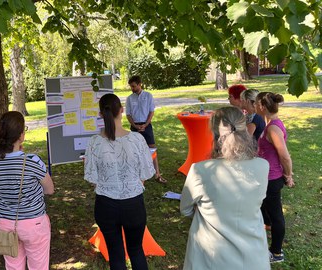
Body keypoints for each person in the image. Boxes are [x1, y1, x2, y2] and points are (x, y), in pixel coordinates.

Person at [180, 106, 270, 270]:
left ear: (214, 135)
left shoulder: (200, 170)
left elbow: (185, 209)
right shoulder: (263, 166)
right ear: (245, 131)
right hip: (252, 257)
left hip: (209, 258)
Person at [85, 93, 155, 270]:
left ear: (101, 114)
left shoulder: (94, 143)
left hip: (106, 206)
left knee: (115, 254)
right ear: (122, 111)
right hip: (134, 205)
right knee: (136, 251)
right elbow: (146, 174)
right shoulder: (137, 139)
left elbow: (93, 179)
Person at [0, 111, 54, 270]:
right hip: (34, 223)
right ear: (20, 135)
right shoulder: (32, 161)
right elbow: (50, 189)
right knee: (38, 266)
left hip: (5, 222)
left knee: (13, 266)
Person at [255, 92, 294, 263]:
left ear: (262, 107)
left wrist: (289, 175)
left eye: (256, 104)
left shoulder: (273, 128)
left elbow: (284, 156)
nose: (254, 106)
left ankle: (276, 253)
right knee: (270, 212)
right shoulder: (270, 124)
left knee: (277, 215)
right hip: (267, 176)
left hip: (272, 179)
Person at [125, 75, 166, 183]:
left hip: (146, 126)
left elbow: (151, 112)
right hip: (134, 126)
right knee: (134, 150)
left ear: (139, 84)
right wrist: (135, 126)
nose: (132, 89)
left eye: (134, 86)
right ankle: (137, 175)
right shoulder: (129, 98)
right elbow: (128, 115)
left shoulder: (148, 96)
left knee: (152, 148)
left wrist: (145, 125)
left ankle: (157, 174)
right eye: (131, 87)